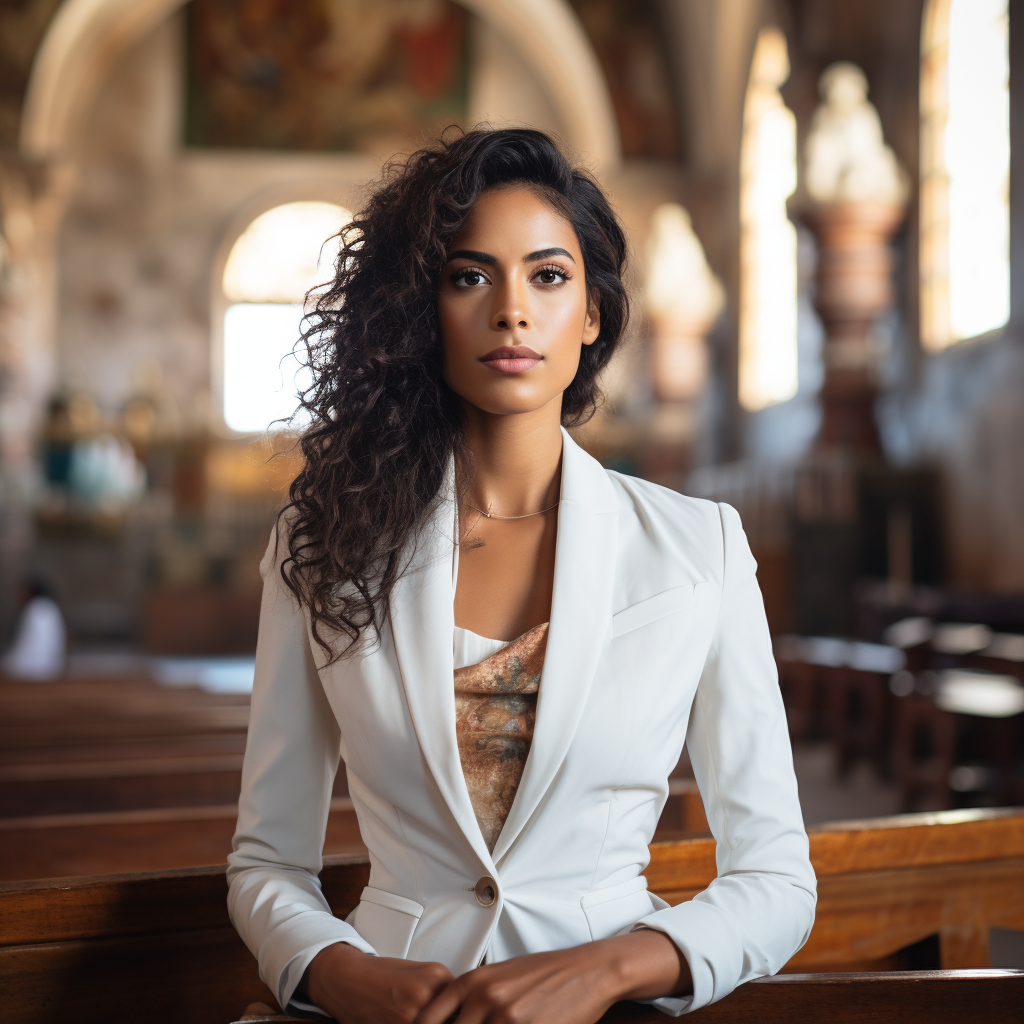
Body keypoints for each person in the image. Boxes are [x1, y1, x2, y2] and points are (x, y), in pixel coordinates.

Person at [228, 128, 815, 1022]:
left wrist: (614, 967)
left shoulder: (702, 550)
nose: (511, 310)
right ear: (422, 309)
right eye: (470, 276)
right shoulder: (324, 545)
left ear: (591, 314)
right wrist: (338, 968)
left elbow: (777, 880)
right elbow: (267, 861)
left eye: (548, 276)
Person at [1, 576, 66, 680]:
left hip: (30, 675)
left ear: (30, 591)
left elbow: (27, 649)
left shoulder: (33, 609)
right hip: (51, 672)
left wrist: (6, 665)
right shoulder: (52, 607)